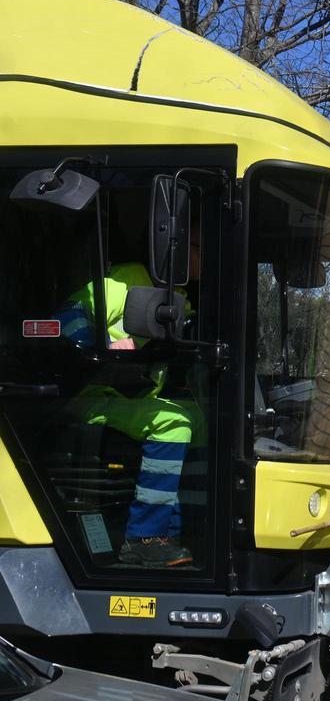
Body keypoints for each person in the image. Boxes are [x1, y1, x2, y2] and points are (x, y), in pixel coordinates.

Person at [56, 229, 203, 568]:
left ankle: (172, 532)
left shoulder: (180, 297)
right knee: (174, 424)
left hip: (127, 395)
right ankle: (143, 538)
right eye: (201, 250)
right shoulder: (130, 279)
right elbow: (66, 316)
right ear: (177, 249)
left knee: (199, 421)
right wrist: (104, 348)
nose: (207, 260)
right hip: (90, 394)